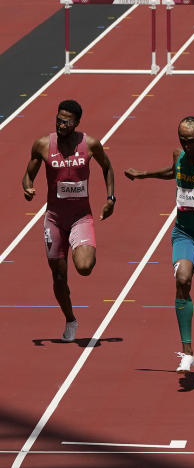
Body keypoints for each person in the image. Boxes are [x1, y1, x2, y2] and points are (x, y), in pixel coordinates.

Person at [124, 116, 194, 373]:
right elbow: (171, 171)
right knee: (183, 279)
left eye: (190, 141)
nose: (185, 146)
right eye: (181, 141)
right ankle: (187, 351)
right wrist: (143, 174)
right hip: (183, 233)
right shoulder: (179, 155)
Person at [22, 100, 115, 342]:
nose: (61, 124)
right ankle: (70, 319)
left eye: (67, 121)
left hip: (80, 217)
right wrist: (28, 188)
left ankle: (80, 246)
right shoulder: (43, 144)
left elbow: (107, 167)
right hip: (53, 218)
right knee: (59, 277)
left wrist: (110, 198)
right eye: (58, 119)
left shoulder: (90, 144)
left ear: (77, 123)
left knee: (84, 267)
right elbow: (28, 176)